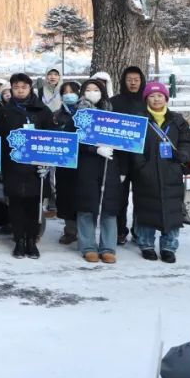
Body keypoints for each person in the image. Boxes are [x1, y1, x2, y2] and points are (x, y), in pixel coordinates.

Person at [131, 82, 190, 263]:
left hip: (171, 171)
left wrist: (184, 154)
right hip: (146, 171)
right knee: (146, 208)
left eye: (159, 95)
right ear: (146, 99)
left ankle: (169, 247)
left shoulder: (177, 119)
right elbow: (133, 146)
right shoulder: (140, 119)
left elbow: (187, 141)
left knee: (172, 209)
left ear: (166, 97)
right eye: (151, 96)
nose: (156, 99)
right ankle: (146, 244)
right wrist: (141, 166)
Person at [0, 72, 55, 260]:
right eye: (16, 87)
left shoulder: (42, 111)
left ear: (30, 88)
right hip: (13, 166)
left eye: (24, 87)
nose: (20, 91)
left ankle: (31, 240)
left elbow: (52, 138)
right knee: (16, 205)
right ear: (11, 90)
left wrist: (47, 162)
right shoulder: (5, 111)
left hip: (36, 168)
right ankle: (19, 240)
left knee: (33, 205)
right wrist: (0, 165)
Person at [68, 78, 125, 264]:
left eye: (96, 90)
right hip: (87, 165)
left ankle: (108, 247)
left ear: (102, 93)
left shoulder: (112, 112)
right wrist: (94, 149)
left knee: (109, 207)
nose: (92, 93)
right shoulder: (77, 114)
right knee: (86, 207)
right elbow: (73, 141)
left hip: (110, 165)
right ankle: (88, 246)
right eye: (88, 90)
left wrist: (122, 167)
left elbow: (125, 141)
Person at [110, 65, 146, 245]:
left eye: (136, 80)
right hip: (119, 158)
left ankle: (139, 231)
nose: (133, 83)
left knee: (141, 198)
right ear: (124, 81)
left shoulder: (148, 101)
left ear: (142, 81)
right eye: (129, 80)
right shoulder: (114, 102)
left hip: (142, 159)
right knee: (120, 197)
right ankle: (120, 230)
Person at [52, 81, 83, 246]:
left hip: (84, 161)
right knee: (65, 195)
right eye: (65, 92)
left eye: (72, 91)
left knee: (82, 195)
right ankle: (70, 230)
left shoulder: (86, 112)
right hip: (64, 162)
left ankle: (85, 231)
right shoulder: (57, 115)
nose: (69, 94)